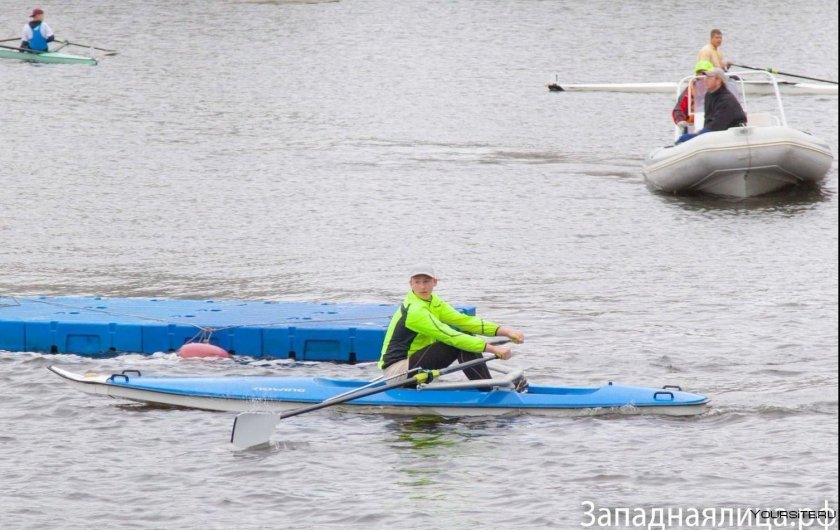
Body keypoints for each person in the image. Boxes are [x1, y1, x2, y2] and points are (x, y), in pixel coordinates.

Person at [378, 266, 526, 390]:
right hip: (398, 373)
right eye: (417, 282)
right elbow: (449, 336)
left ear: (435, 282)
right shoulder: (415, 310)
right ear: (410, 284)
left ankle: (486, 386)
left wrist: (506, 331)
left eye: (426, 281)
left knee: (467, 334)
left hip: (415, 366)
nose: (422, 286)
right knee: (456, 344)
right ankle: (488, 389)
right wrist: (493, 349)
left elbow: (464, 321)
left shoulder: (432, 301)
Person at [676, 68, 747, 144]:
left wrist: (699, 135)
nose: (705, 80)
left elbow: (718, 124)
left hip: (731, 133)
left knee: (685, 138)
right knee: (684, 138)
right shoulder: (709, 95)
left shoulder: (726, 99)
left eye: (709, 78)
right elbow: (708, 119)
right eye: (706, 77)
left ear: (718, 80)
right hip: (716, 130)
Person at [672, 60, 715, 129]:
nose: (702, 76)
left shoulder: (718, 90)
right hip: (694, 125)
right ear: (696, 75)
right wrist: (680, 120)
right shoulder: (689, 91)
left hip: (714, 124)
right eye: (700, 73)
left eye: (705, 73)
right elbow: (678, 109)